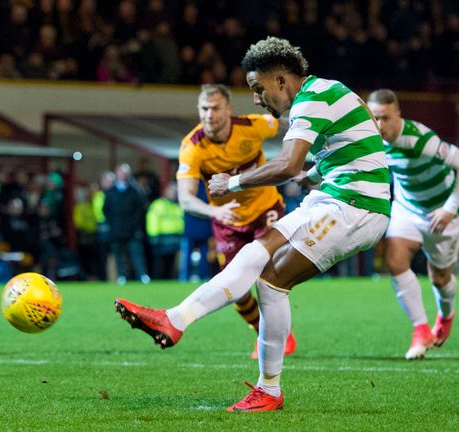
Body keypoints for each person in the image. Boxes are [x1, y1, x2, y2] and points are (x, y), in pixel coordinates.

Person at [115, 36, 391, 412]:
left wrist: (232, 182)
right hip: (336, 198)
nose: (258, 100)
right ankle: (173, 319)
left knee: (273, 279)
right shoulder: (325, 92)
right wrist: (317, 171)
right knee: (255, 254)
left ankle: (269, 390)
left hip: (356, 207)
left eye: (259, 89)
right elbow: (352, 142)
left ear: (281, 80)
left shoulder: (311, 99)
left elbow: (287, 165)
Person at [175, 83, 294, 358]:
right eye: (204, 108)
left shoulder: (252, 126)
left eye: (215, 108)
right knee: (234, 287)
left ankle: (277, 338)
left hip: (265, 209)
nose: (209, 114)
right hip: (226, 220)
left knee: (266, 275)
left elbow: (290, 126)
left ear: (228, 109)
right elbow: (186, 198)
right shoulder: (192, 147)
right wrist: (214, 212)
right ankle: (259, 331)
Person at [367, 89, 459, 359]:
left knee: (439, 279)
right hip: (407, 208)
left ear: (398, 115)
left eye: (385, 118)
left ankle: (446, 315)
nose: (379, 126)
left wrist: (449, 209)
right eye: (375, 119)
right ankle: (421, 330)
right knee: (395, 261)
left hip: (443, 213)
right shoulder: (373, 139)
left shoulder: (419, 139)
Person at [103, 163, 150, 285]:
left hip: (132, 229)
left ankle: (142, 275)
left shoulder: (134, 191)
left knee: (137, 254)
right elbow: (106, 210)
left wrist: (135, 225)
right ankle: (121, 276)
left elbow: (140, 210)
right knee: (119, 255)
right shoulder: (111, 192)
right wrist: (113, 223)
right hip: (116, 229)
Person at [145, 181, 184, 279]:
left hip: (174, 238)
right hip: (161, 238)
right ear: (166, 192)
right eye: (171, 191)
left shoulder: (177, 206)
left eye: (175, 191)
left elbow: (180, 221)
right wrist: (154, 236)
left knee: (171, 263)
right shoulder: (158, 204)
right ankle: (157, 280)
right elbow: (152, 220)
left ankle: (169, 280)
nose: (174, 193)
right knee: (159, 263)